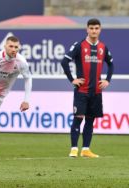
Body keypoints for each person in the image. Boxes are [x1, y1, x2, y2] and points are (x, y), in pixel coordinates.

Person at [61, 18, 114, 158]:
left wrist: (107, 80)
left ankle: (85, 149)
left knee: (90, 120)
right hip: (82, 91)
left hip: (96, 92)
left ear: (100, 29)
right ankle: (73, 148)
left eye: (96, 28)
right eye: (91, 28)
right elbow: (64, 61)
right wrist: (72, 79)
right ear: (87, 29)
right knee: (78, 118)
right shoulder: (79, 46)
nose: (94, 31)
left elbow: (111, 64)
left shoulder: (103, 47)